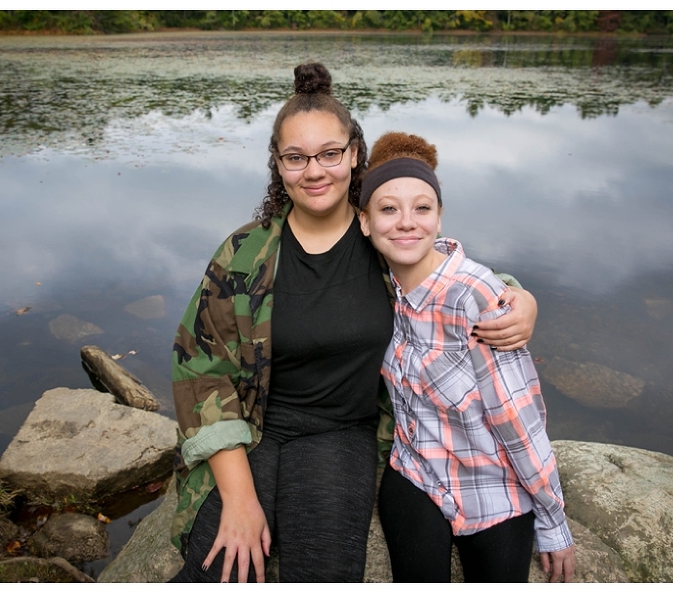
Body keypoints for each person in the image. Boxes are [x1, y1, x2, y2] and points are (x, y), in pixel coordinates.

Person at [168, 63, 539, 583]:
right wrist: (239, 499)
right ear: (278, 164)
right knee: (218, 567)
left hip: (340, 435)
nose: (314, 171)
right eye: (296, 158)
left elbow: (453, 279)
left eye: (329, 154)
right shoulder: (245, 254)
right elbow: (202, 370)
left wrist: (518, 298)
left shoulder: (384, 240)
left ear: (354, 154)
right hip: (250, 430)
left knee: (323, 571)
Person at [358, 131, 575, 583]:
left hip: (489, 486)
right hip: (414, 472)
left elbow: (520, 420)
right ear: (364, 222)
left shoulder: (477, 300)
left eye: (422, 208)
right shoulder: (382, 286)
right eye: (387, 209)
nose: (405, 222)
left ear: (439, 219)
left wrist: (553, 520)